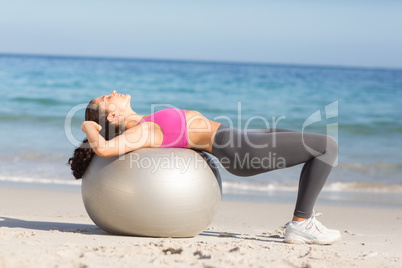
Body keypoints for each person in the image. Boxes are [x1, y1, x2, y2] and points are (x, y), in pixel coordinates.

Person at [68, 90, 341, 245]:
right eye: (106, 97)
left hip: (237, 136)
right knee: (326, 146)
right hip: (237, 147)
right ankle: (302, 223)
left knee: (311, 140)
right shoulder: (144, 130)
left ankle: (302, 223)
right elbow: (103, 148)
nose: (113, 92)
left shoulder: (144, 121)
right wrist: (89, 127)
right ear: (112, 115)